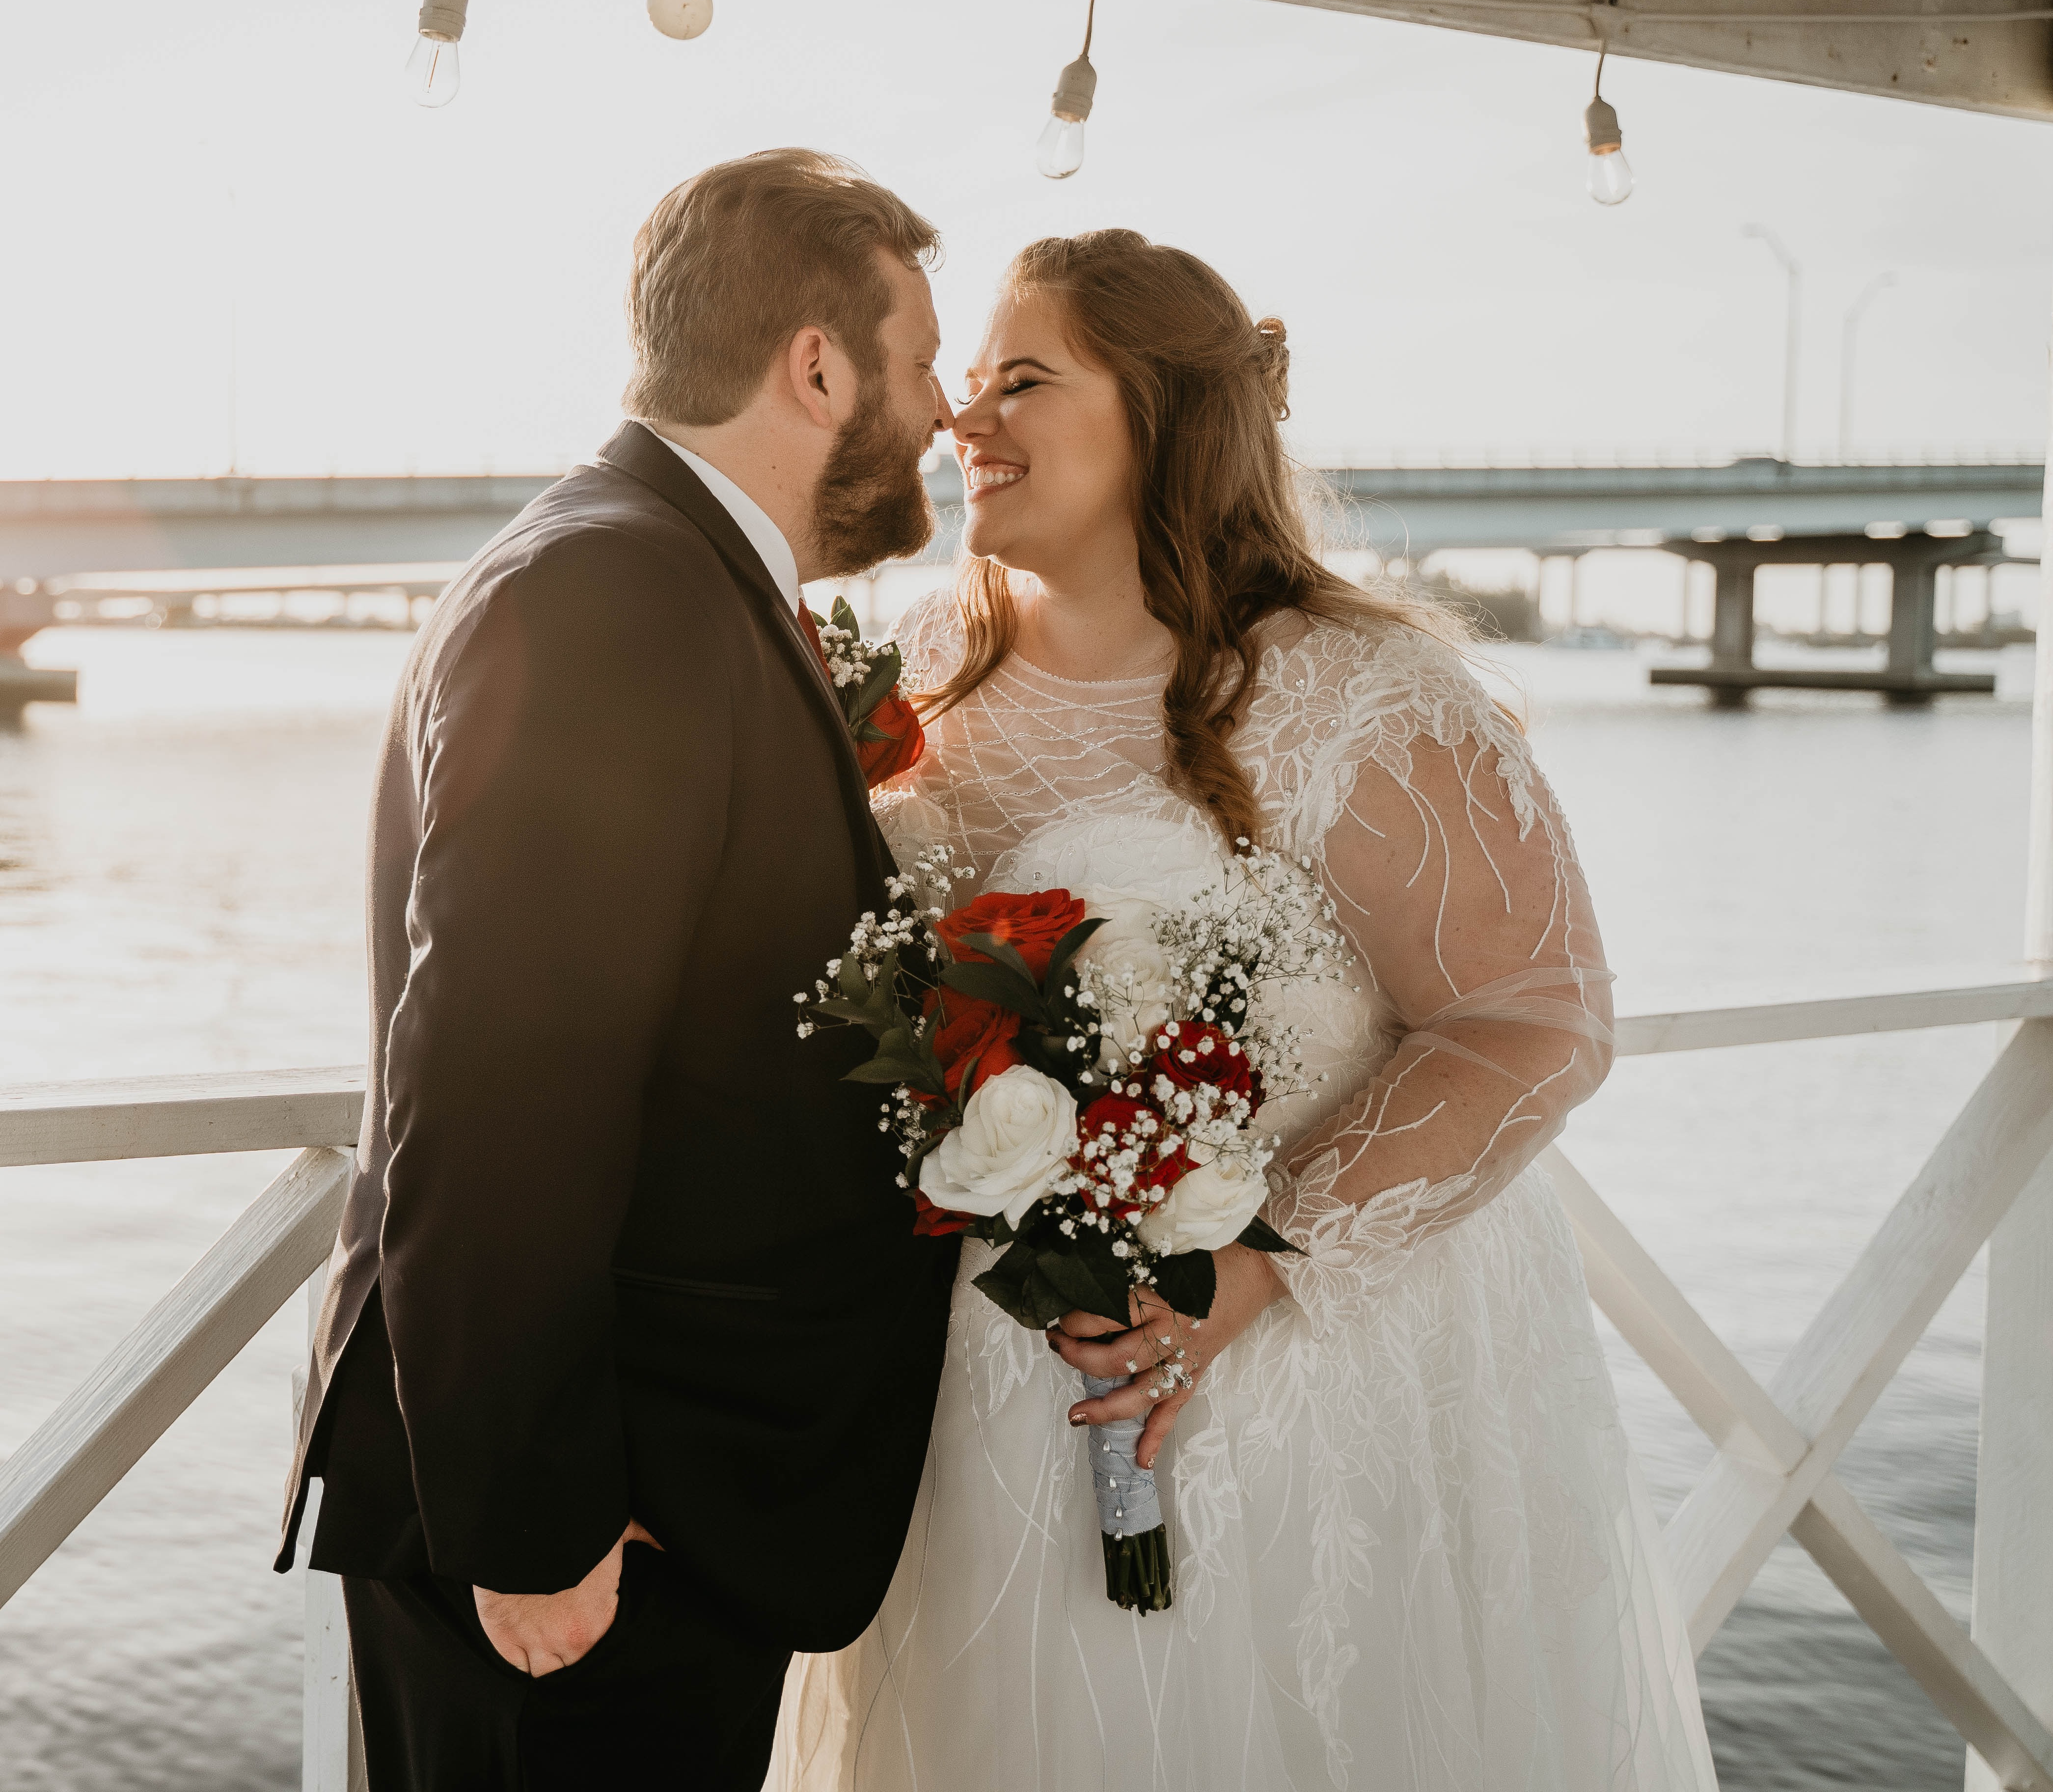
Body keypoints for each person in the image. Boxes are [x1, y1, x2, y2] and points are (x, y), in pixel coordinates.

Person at [770, 231, 1717, 1791]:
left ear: (1163, 416)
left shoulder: (1357, 692)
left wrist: (1251, 1267)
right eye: (973, 379)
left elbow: (1537, 1020)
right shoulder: (924, 670)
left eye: (1024, 379)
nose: (968, 418)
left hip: (1290, 1383)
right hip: (985, 1384)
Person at [275, 149, 964, 1792]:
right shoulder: (618, 592)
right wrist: (534, 1520)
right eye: (923, 358)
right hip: (591, 1534)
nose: (943, 410)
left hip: (642, 1504)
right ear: (818, 364)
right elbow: (504, 1081)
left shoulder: (658, 569)